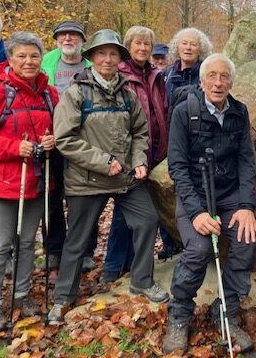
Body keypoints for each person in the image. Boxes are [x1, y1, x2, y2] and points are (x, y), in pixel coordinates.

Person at [48, 29, 168, 325]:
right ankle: (63, 298)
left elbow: (140, 131)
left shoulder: (127, 94)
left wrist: (139, 160)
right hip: (87, 180)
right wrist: (104, 161)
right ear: (92, 57)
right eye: (102, 53)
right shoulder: (76, 92)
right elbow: (64, 138)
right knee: (77, 241)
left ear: (119, 58)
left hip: (125, 178)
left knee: (147, 219)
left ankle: (141, 279)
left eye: (113, 54)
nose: (108, 59)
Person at [163, 53, 256, 354]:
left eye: (224, 76)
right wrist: (197, 212)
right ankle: (179, 314)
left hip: (229, 194)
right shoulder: (184, 112)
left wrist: (246, 206)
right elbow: (176, 166)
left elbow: (246, 161)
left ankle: (226, 311)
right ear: (202, 80)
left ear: (231, 80)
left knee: (245, 241)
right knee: (199, 248)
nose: (218, 82)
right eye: (212, 76)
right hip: (195, 194)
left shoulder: (239, 112)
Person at [0, 32, 58, 332]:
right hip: (1, 182)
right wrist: (12, 148)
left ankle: (22, 295)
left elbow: (61, 127)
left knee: (27, 243)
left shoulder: (49, 93)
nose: (29, 61)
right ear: (11, 59)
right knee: (0, 244)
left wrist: (53, 141)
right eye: (22, 56)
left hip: (35, 179)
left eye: (34, 56)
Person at [103, 26, 169, 283]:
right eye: (138, 43)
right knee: (124, 213)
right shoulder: (120, 74)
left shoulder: (156, 75)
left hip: (155, 151)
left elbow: (163, 108)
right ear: (128, 46)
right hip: (130, 153)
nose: (143, 48)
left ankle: (132, 262)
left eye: (147, 44)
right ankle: (113, 265)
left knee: (145, 212)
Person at [40, 20, 97, 272]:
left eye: (74, 35)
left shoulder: (91, 65)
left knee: (85, 197)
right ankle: (54, 249)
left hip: (84, 141)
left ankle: (85, 250)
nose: (67, 39)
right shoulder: (45, 63)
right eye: (62, 35)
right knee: (51, 198)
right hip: (51, 141)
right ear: (56, 40)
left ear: (82, 40)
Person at [164, 28, 213, 100]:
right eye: (184, 43)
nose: (188, 47)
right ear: (177, 47)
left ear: (201, 50)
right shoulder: (167, 74)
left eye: (193, 44)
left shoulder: (207, 74)